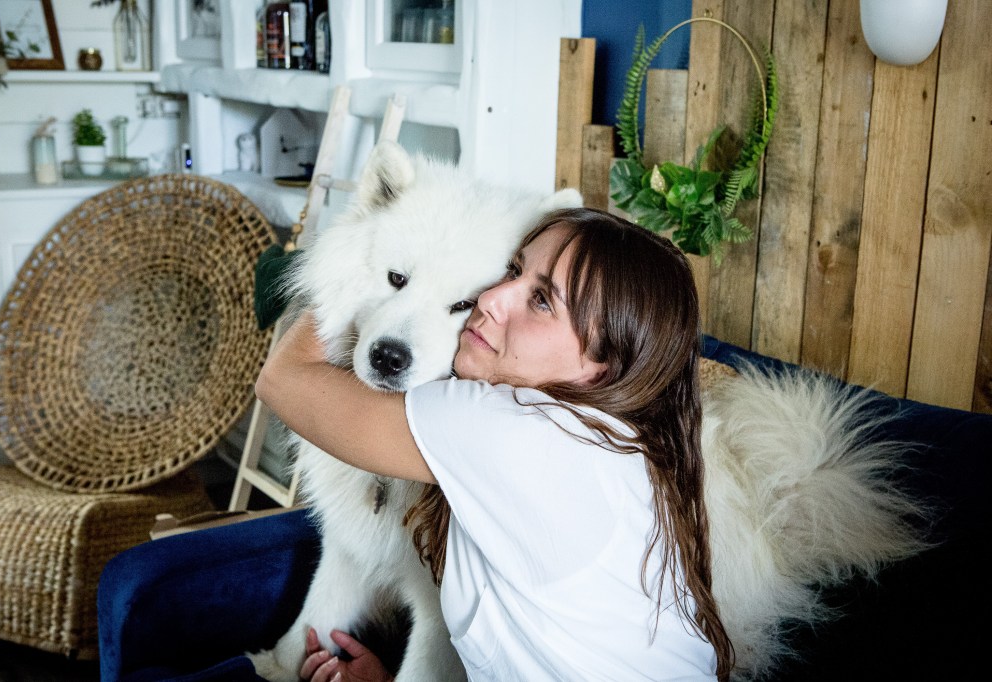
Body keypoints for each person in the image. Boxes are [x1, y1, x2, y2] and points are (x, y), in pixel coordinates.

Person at [255, 207, 734, 681]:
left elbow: (282, 381)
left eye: (541, 300)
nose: (490, 299)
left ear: (601, 366)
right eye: (513, 270)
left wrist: (350, 261)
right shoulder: (614, 439)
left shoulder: (520, 432)